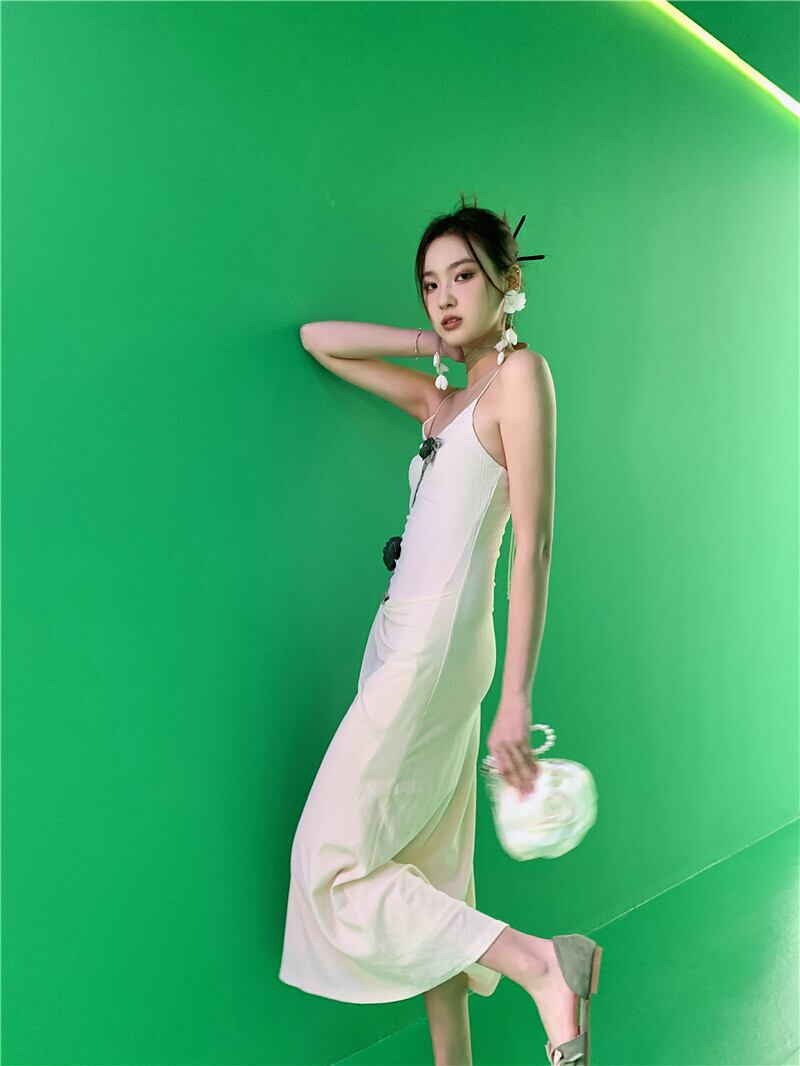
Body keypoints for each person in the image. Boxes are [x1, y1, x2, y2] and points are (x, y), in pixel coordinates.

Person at [279, 200, 602, 1066]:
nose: (446, 297)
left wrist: (517, 698)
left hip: (439, 647)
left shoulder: (523, 379)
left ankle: (541, 965)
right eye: (431, 285)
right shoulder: (443, 401)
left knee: (331, 862)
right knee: (429, 866)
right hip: (399, 638)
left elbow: (534, 545)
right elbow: (320, 340)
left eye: (464, 276)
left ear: (508, 284)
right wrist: (428, 344)